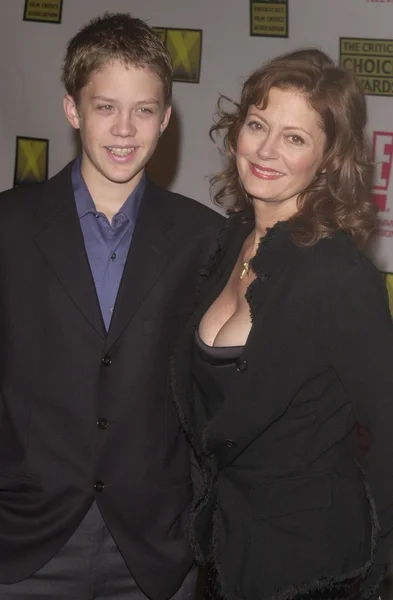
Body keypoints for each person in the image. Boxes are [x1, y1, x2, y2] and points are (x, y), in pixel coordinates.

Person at [0, 12, 223, 600]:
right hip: (22, 547)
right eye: (105, 106)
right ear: (73, 109)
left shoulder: (207, 240)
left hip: (155, 553)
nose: (124, 128)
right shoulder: (8, 227)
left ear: (166, 118)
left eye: (144, 110)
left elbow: (215, 398)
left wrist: (193, 510)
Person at [170, 48, 393, 599]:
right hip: (224, 551)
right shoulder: (228, 243)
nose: (266, 150)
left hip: (310, 570)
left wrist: (372, 581)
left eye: (294, 138)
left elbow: (388, 437)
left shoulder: (340, 275)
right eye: (257, 125)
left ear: (328, 158)